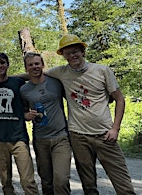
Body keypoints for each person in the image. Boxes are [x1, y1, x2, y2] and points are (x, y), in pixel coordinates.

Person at [45, 34, 136, 194]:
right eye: (68, 53)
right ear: (64, 56)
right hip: (78, 137)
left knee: (122, 183)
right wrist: (5, 78)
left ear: (82, 51)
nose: (72, 55)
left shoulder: (102, 70)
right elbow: (36, 74)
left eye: (75, 51)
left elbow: (120, 100)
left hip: (105, 135)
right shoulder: (61, 72)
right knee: (88, 185)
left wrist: (115, 129)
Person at [0, 52, 39, 195]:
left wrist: (27, 115)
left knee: (28, 181)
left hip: (19, 138)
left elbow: (25, 107)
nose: (0, 66)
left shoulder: (18, 83)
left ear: (7, 64)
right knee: (5, 181)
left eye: (3, 63)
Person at [20, 52, 72, 195]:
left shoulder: (56, 82)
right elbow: (23, 112)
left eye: (37, 63)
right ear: (26, 68)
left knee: (61, 179)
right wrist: (27, 115)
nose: (34, 67)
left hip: (61, 137)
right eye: (30, 65)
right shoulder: (24, 90)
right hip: (40, 139)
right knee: (46, 181)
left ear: (42, 64)